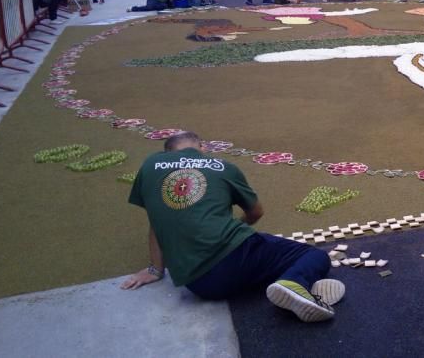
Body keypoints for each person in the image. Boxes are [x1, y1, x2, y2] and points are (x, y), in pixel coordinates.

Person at [121, 131, 343, 322]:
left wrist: (155, 270)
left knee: (262, 264)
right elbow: (256, 212)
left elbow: (156, 220)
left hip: (200, 286)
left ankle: (283, 285)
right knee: (313, 256)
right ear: (202, 147)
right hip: (233, 259)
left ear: (167, 151)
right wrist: (237, 227)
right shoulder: (222, 166)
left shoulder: (150, 166)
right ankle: (293, 283)